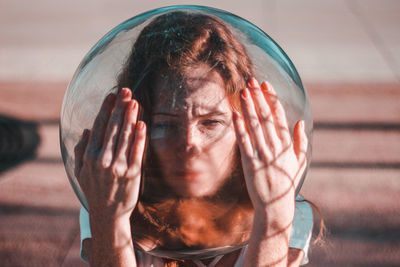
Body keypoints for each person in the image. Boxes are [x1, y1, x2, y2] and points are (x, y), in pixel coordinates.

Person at [74, 11, 313, 267]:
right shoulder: (106, 198)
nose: (189, 144)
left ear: (245, 130)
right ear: (136, 128)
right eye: (165, 123)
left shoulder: (285, 206)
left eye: (211, 122)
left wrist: (274, 212)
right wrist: (109, 219)